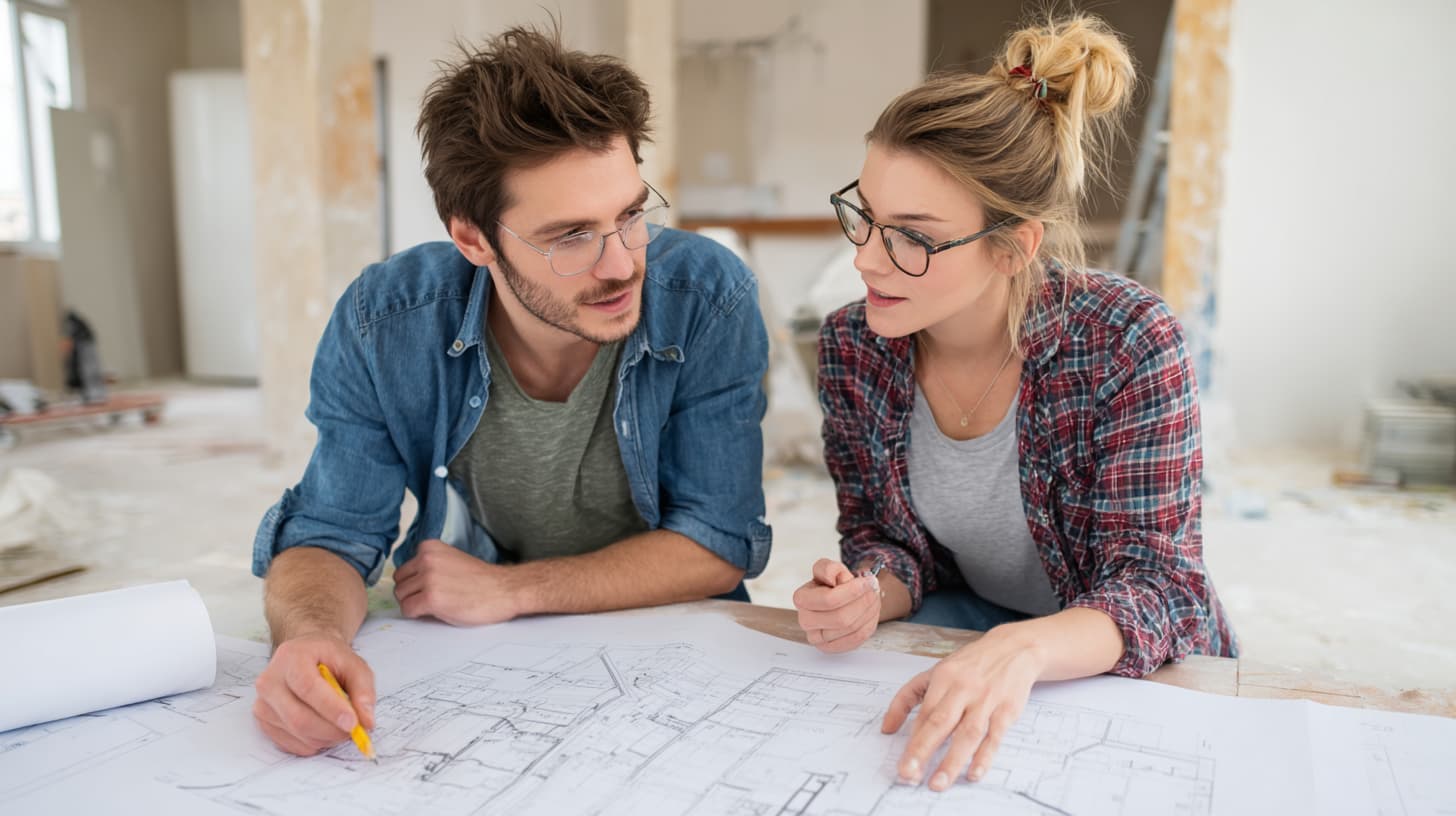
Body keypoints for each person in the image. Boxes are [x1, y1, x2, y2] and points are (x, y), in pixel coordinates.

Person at [249, 26, 771, 757]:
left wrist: (513, 589)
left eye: (629, 215)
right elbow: (332, 531)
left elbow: (718, 539)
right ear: (473, 240)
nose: (622, 265)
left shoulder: (707, 297)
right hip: (478, 669)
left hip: (672, 653)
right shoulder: (386, 321)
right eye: (569, 237)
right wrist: (307, 641)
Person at [792, 13, 1236, 792]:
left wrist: (1024, 648)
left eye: (912, 236)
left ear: (1013, 247)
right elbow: (890, 541)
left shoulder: (1127, 339)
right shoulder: (854, 346)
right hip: (978, 640)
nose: (864, 257)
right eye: (863, 214)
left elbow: (1162, 587)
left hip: (1127, 671)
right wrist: (869, 594)